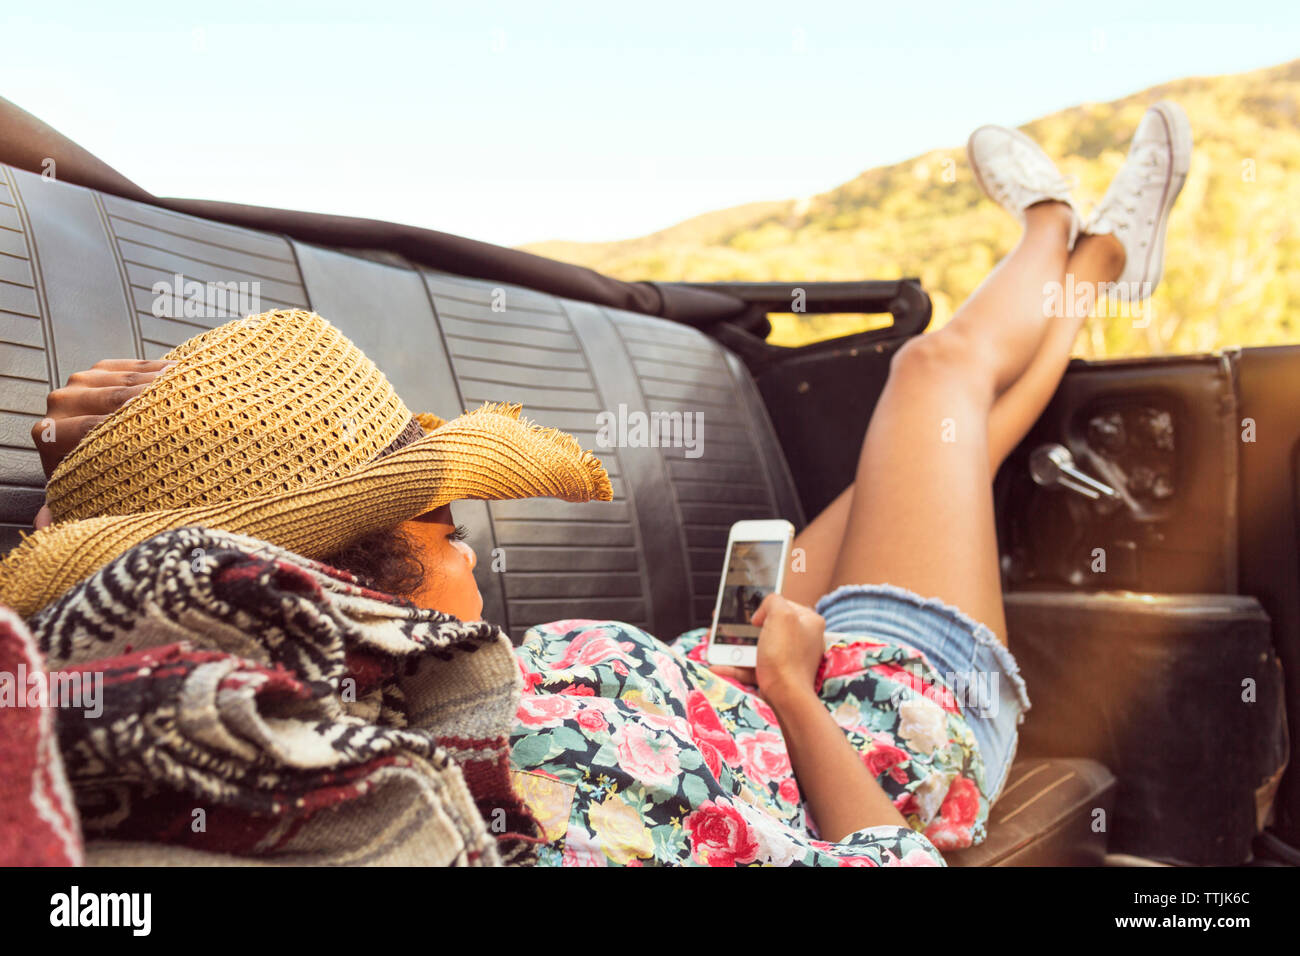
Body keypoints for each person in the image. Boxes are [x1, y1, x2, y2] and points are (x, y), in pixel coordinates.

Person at [2, 103, 1190, 866]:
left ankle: (1095, 265)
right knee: (931, 377)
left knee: (952, 438)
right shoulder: (557, 822)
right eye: (443, 520)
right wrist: (790, 686)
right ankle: (1064, 234)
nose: (474, 551)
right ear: (359, 581)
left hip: (735, 665)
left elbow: (162, 579)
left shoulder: (415, 690)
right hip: (888, 726)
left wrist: (111, 471)